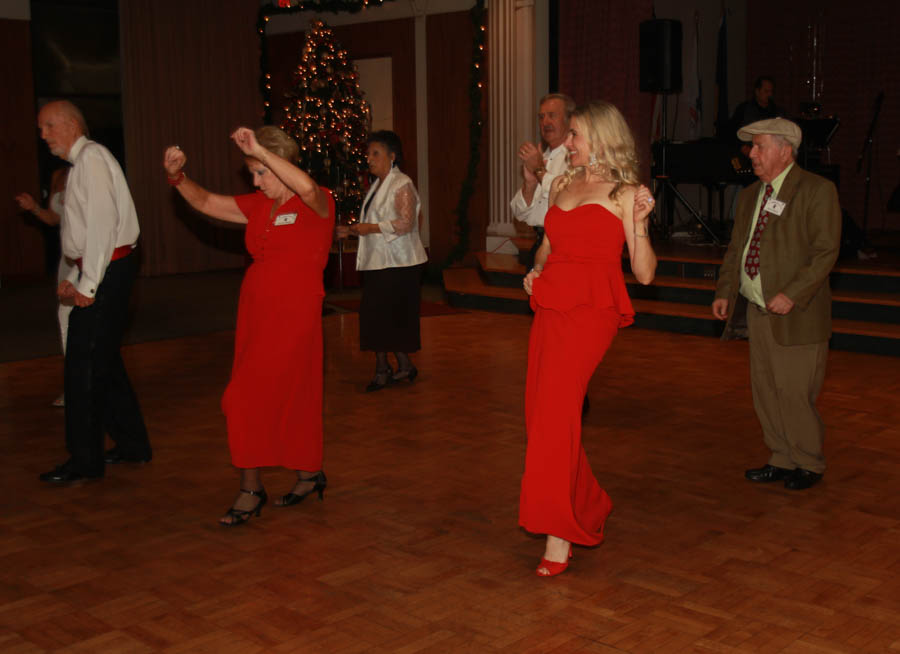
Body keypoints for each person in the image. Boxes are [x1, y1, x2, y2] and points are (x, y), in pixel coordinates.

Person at [163, 127, 333, 525]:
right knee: (289, 393)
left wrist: (260, 150)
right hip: (256, 311)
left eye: (261, 173)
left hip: (295, 313)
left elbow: (305, 187)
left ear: (281, 164)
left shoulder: (318, 201)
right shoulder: (260, 205)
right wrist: (177, 178)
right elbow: (206, 201)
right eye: (252, 173)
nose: (256, 182)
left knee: (246, 397)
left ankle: (250, 488)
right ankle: (308, 473)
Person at [520, 101, 657, 576]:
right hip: (551, 305)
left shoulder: (625, 192)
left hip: (591, 312)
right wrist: (534, 272)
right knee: (541, 414)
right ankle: (590, 500)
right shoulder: (560, 183)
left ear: (598, 138)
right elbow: (547, 246)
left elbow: (643, 274)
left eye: (574, 135)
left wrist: (638, 223)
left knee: (556, 413)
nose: (567, 143)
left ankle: (560, 536)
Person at [712, 118, 841, 491]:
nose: (751, 153)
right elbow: (737, 249)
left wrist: (793, 293)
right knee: (765, 390)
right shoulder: (752, 194)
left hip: (797, 313)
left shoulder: (817, 191)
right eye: (751, 147)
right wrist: (725, 290)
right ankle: (781, 457)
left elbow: (824, 253)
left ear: (785, 151)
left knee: (794, 391)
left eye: (759, 146)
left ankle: (809, 461)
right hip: (757, 311)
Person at [36, 100, 151, 484]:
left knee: (82, 365)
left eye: (49, 126)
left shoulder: (92, 160)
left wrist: (88, 283)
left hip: (108, 272)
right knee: (104, 360)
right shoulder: (83, 164)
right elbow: (89, 233)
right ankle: (133, 444)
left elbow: (103, 224)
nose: (44, 135)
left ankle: (84, 460)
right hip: (104, 269)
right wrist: (79, 272)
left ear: (70, 125)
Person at [336, 130, 428, 391]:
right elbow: (376, 222)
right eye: (369, 154)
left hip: (399, 263)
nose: (369, 158)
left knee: (384, 315)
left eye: (376, 153)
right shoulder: (376, 187)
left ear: (393, 156)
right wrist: (353, 230)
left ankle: (383, 369)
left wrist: (369, 228)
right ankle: (402, 366)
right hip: (381, 262)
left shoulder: (402, 184)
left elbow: (406, 223)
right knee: (378, 315)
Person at [14, 164, 73, 406]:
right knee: (66, 322)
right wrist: (34, 208)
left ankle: (88, 386)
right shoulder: (57, 174)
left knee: (78, 320)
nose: (46, 135)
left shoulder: (88, 167)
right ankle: (76, 386)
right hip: (67, 260)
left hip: (88, 256)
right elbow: (53, 218)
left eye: (50, 127)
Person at [510, 93, 576, 264]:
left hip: (565, 249)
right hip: (540, 244)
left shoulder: (576, 158)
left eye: (552, 115)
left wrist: (539, 170)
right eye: (541, 117)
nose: (545, 122)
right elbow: (519, 213)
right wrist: (529, 184)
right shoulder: (543, 156)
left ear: (569, 121)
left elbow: (566, 196)